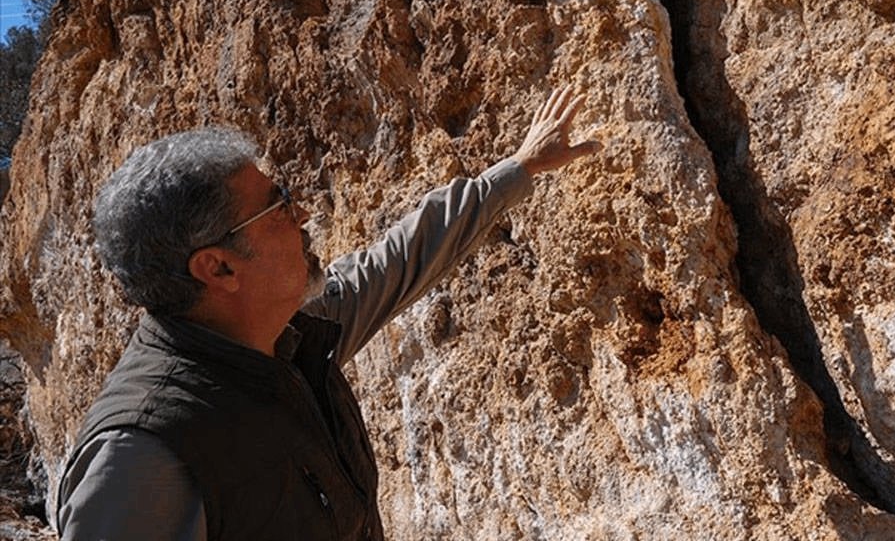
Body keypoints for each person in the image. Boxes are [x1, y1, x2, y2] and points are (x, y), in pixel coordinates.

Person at [55, 87, 602, 541]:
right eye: (279, 205)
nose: (304, 213)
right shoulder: (141, 457)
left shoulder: (287, 336)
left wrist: (518, 169)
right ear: (218, 268)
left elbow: (398, 260)